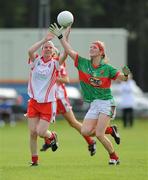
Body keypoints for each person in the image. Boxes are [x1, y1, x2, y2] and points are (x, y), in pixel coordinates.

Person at [49, 23, 131, 165]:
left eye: (94, 47)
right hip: (94, 104)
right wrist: (61, 36)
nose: (91, 49)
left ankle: (114, 158)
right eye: (90, 47)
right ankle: (111, 130)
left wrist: (126, 73)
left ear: (101, 52)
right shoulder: (83, 63)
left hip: (107, 103)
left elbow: (124, 79)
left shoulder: (107, 68)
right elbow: (68, 50)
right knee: (85, 132)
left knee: (99, 134)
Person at [26, 31, 67, 166]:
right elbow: (30, 50)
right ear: (42, 49)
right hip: (33, 102)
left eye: (50, 47)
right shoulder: (36, 60)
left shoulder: (55, 63)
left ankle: (52, 136)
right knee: (32, 133)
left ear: (53, 51)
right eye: (45, 47)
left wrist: (63, 37)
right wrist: (44, 40)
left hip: (48, 103)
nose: (47, 48)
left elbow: (65, 53)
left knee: (41, 132)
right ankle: (34, 160)